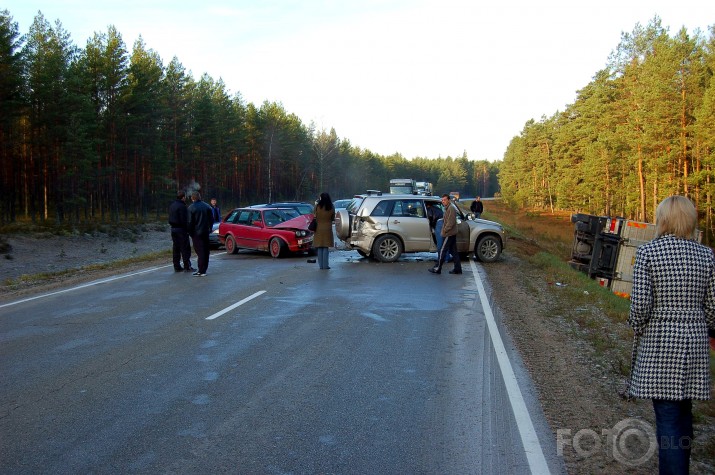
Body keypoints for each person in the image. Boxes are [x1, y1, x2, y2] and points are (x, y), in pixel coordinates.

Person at [627, 196, 715, 474]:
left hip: (661, 342)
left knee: (667, 417)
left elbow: (641, 305)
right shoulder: (706, 255)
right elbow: (713, 307)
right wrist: (700, 325)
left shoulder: (648, 252)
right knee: (683, 413)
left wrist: (637, 324)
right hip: (695, 343)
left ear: (662, 218)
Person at [429, 194, 462, 275]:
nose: (443, 201)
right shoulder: (447, 208)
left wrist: (444, 232)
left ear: (448, 200)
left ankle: (438, 268)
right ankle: (458, 269)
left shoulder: (451, 209)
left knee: (443, 250)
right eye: (442, 200)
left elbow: (450, 223)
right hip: (451, 233)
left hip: (449, 234)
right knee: (454, 252)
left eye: (444, 200)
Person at [187, 191, 214, 276]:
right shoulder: (207, 206)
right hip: (205, 231)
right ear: (200, 197)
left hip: (196, 232)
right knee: (205, 250)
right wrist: (209, 229)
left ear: (192, 198)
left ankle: (201, 270)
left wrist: (190, 233)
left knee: (200, 251)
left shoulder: (191, 208)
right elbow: (211, 219)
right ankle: (204, 268)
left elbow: (190, 222)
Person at [168, 191, 194, 272]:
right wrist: (188, 229)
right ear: (183, 197)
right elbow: (184, 219)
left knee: (176, 248)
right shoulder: (182, 206)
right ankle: (187, 266)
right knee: (185, 248)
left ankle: (177, 266)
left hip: (173, 229)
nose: (185, 198)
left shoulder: (172, 205)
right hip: (181, 229)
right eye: (185, 197)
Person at [313, 192, 335, 270]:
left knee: (320, 247)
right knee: (325, 247)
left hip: (318, 228)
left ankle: (321, 265)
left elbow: (314, 215)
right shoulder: (331, 207)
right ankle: (325, 265)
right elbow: (333, 218)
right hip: (327, 228)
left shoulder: (317, 206)